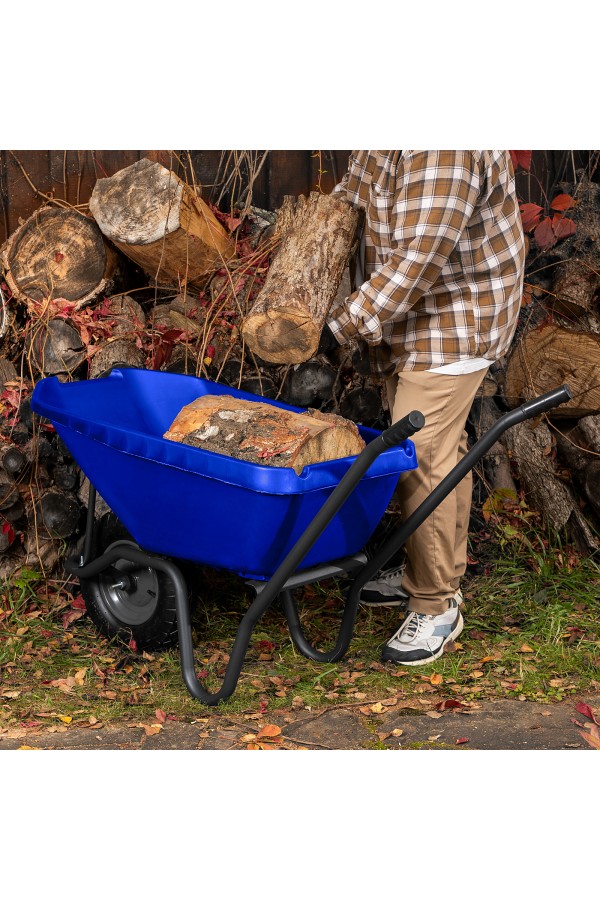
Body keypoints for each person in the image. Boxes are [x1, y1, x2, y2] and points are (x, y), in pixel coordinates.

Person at [325, 151, 525, 666]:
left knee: (422, 457)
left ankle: (435, 604)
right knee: (443, 451)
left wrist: (340, 327)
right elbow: (353, 195)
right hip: (419, 314)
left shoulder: (445, 144)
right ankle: (427, 566)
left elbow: (420, 259)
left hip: (456, 315)